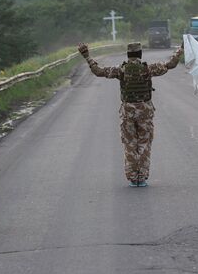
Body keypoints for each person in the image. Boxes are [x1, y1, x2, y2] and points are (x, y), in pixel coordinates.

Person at [78, 41, 183, 186]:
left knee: (129, 144)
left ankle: (133, 178)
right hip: (145, 112)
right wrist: (180, 50)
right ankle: (143, 177)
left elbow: (98, 71)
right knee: (144, 144)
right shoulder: (149, 69)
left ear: (128, 55)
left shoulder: (121, 70)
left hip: (127, 113)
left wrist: (87, 57)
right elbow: (170, 64)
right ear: (140, 54)